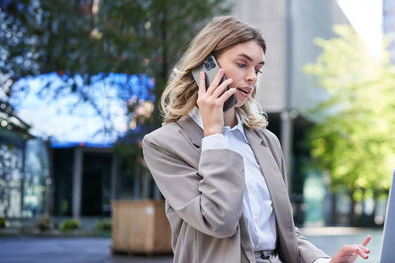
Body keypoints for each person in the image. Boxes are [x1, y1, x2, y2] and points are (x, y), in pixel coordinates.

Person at [142, 16, 371, 263]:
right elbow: (218, 220)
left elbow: (283, 229)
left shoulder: (267, 141)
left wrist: (323, 261)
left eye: (258, 69)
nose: (252, 77)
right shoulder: (164, 144)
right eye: (242, 64)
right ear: (205, 66)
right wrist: (214, 135)